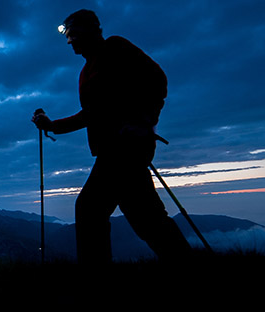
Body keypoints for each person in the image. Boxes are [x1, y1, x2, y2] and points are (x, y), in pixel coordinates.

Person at [32, 9, 192, 263]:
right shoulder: (86, 71)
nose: (68, 41)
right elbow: (90, 115)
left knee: (89, 210)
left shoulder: (115, 47)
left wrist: (144, 121)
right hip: (113, 149)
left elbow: (157, 79)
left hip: (125, 148)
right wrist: (52, 126)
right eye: (67, 35)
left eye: (72, 34)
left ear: (90, 31)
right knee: (146, 218)